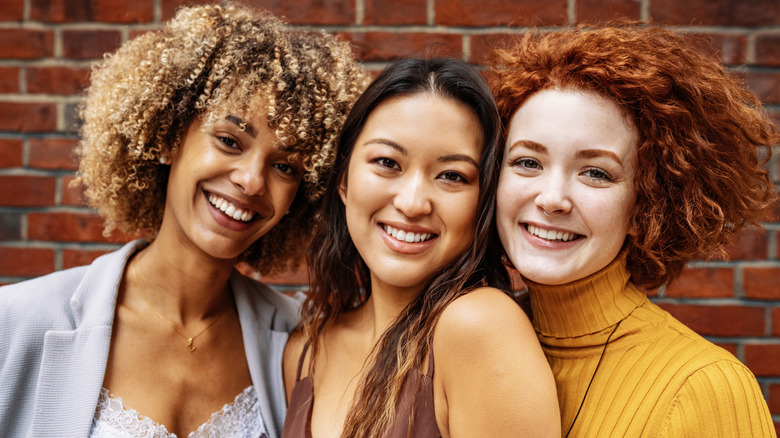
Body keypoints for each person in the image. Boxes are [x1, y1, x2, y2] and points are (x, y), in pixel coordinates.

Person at [0, 4, 367, 437]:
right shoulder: (18, 323)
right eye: (230, 140)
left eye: (286, 166)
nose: (251, 181)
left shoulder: (298, 341)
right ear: (170, 136)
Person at [491, 24, 778, 437]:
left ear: (648, 201)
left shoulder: (704, 387)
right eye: (528, 162)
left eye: (595, 173)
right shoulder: (467, 345)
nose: (552, 198)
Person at [281, 57, 560, 438]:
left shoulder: (479, 328)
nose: (413, 203)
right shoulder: (305, 351)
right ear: (343, 181)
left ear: (483, 201)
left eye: (451, 175)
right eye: (387, 162)